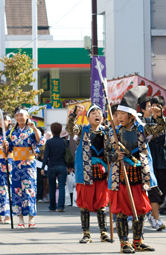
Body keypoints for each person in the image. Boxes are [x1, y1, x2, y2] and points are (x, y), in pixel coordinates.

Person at [109, 86, 165, 253]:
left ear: (131, 116)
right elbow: (107, 152)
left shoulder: (142, 129)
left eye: (121, 114)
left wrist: (159, 116)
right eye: (117, 114)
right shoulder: (114, 132)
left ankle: (138, 241)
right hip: (121, 176)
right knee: (121, 212)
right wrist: (115, 156)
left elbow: (159, 129)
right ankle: (124, 243)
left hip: (139, 176)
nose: (118, 117)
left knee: (139, 210)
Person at [66, 104, 112, 244]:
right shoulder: (82, 130)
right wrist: (74, 114)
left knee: (102, 203)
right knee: (85, 204)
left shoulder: (107, 132)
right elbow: (70, 128)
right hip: (86, 171)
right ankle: (86, 233)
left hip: (102, 171)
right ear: (88, 117)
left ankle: (103, 232)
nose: (97, 115)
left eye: (99, 113)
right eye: (94, 113)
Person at [5, 106, 44, 229]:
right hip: (16, 163)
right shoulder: (11, 132)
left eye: (21, 115)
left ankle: (31, 218)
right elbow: (8, 149)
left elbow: (40, 141)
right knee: (17, 190)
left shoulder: (32, 130)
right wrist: (5, 145)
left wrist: (35, 128)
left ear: (27, 116)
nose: (19, 118)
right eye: (17, 115)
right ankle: (20, 218)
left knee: (29, 190)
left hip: (28, 163)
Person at [146, 96, 166, 231]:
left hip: (164, 159)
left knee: (163, 189)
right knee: (153, 189)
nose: (154, 108)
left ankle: (152, 214)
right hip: (149, 159)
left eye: (158, 106)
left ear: (163, 108)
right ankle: (157, 219)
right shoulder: (146, 122)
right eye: (152, 106)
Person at [41, 122, 68, 212]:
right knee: (61, 186)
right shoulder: (64, 142)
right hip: (62, 166)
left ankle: (52, 207)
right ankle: (61, 206)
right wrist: (69, 166)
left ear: (52, 131)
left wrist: (42, 167)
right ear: (60, 131)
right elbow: (67, 155)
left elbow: (46, 156)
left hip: (51, 166)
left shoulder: (49, 142)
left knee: (52, 187)